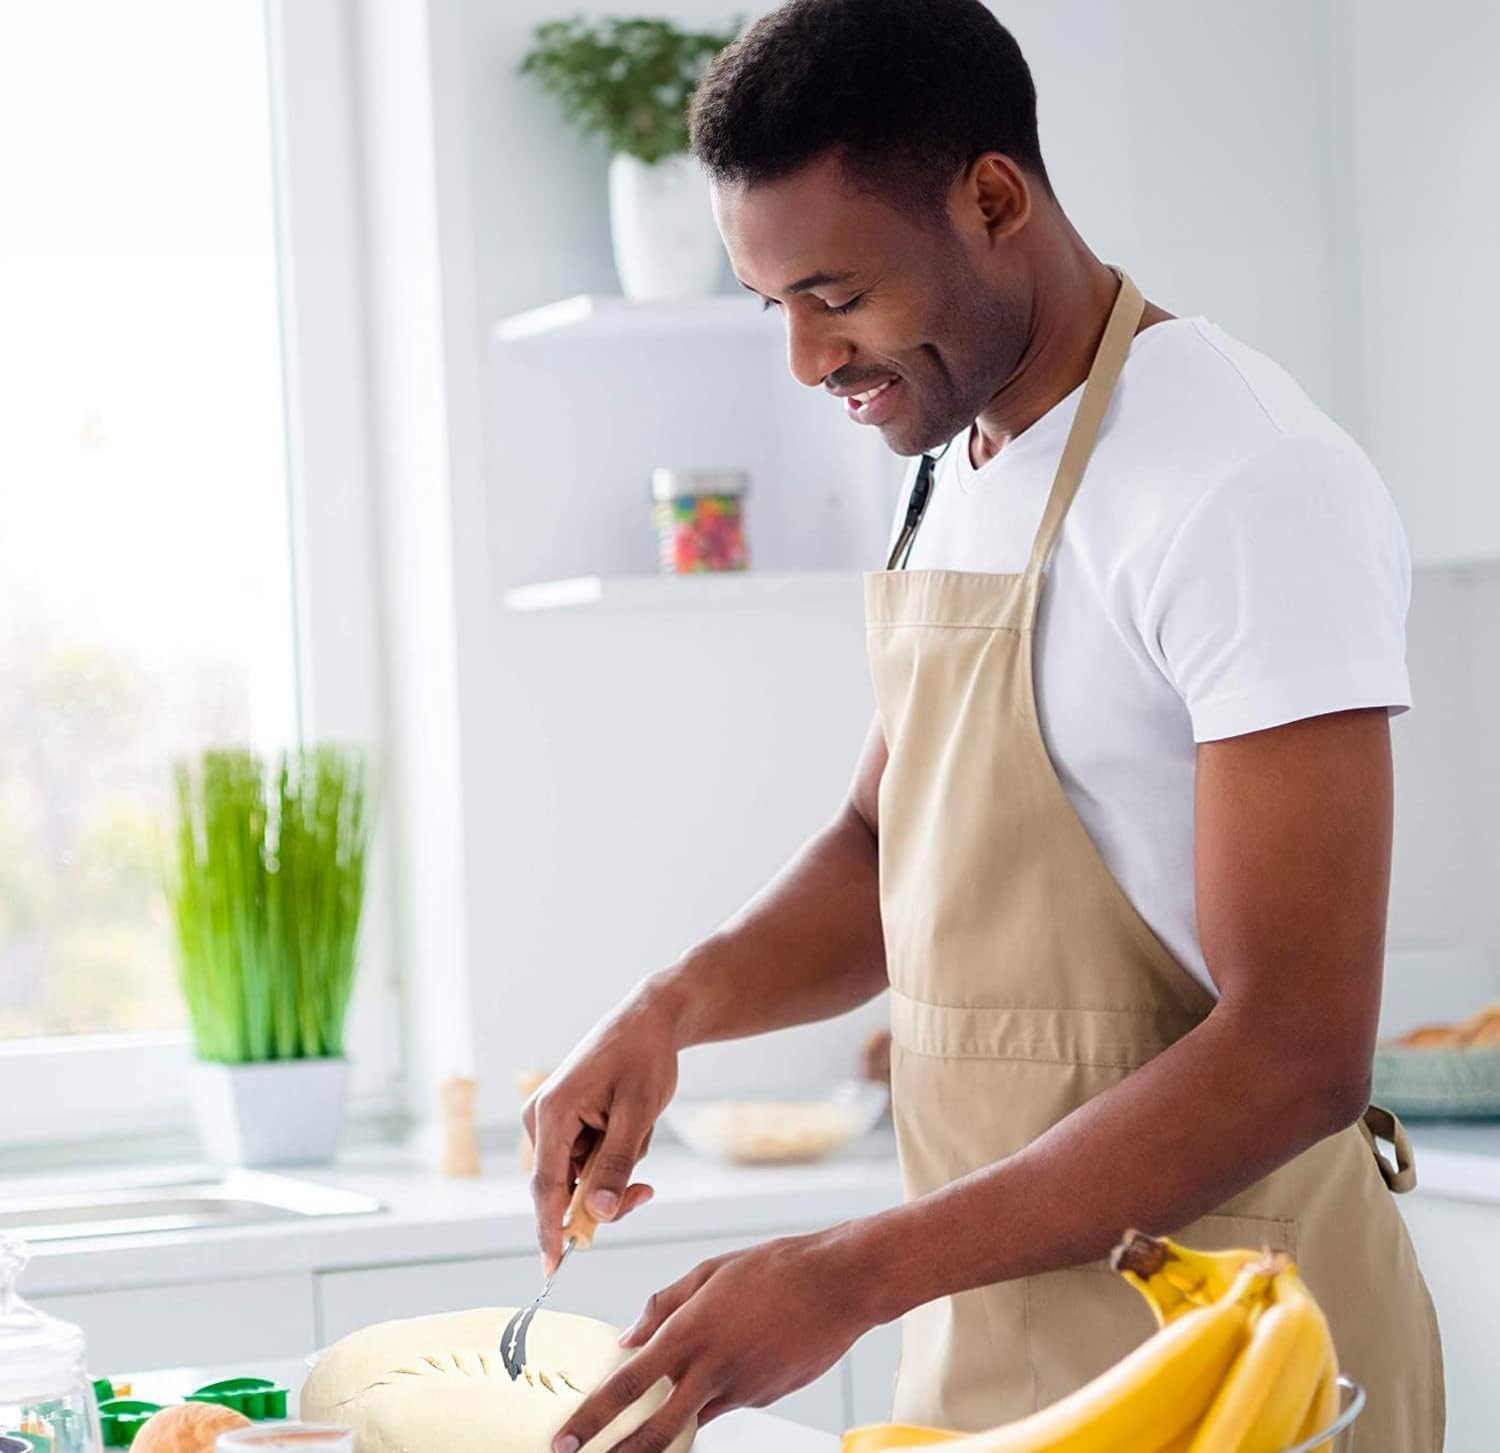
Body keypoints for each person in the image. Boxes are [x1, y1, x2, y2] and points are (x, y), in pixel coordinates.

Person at [526, 2, 1443, 1450]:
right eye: (775, 307)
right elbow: (891, 846)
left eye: (834, 293)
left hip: (1241, 1368)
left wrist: (849, 1274)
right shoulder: (955, 459)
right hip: (989, 1356)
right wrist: (672, 1010)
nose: (808, 361)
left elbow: (1297, 1049)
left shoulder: (1246, 483)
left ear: (995, 199)